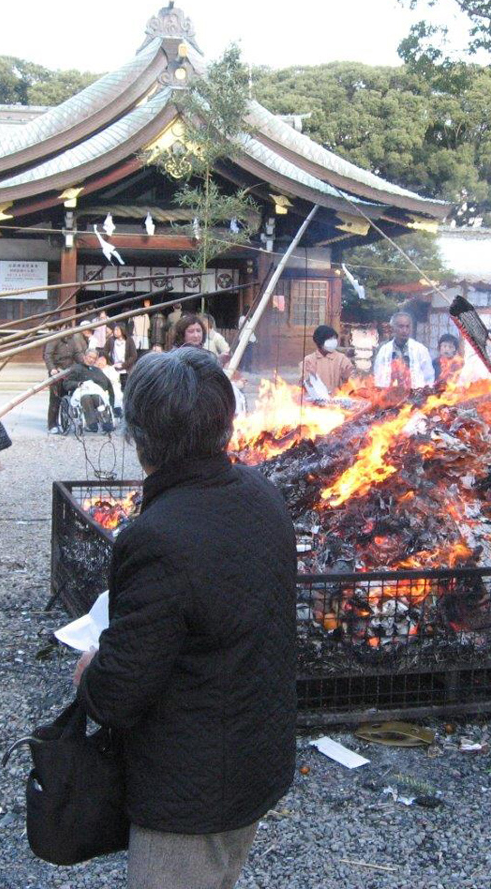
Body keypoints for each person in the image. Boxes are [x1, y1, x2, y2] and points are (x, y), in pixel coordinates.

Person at [74, 348, 296, 889]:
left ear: (139, 435)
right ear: (225, 423)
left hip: (191, 788)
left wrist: (90, 674)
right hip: (255, 753)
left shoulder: (159, 537)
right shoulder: (262, 494)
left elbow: (120, 693)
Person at [44, 322, 89, 434]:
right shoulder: (54, 339)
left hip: (69, 371)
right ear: (60, 328)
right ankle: (52, 424)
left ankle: (66, 421)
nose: (67, 330)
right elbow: (48, 355)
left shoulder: (72, 339)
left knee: (68, 397)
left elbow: (77, 354)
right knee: (55, 399)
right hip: (57, 371)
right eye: (65, 327)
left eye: (69, 328)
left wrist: (85, 363)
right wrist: (52, 369)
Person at [373, 310, 434, 389]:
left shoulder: (420, 350)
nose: (405, 330)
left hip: (415, 394)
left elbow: (429, 377)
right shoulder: (384, 350)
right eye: (401, 326)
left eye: (407, 326)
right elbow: (378, 376)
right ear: (393, 328)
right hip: (390, 394)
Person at [61, 348, 117, 432]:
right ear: (84, 357)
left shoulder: (97, 370)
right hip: (80, 393)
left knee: (97, 397)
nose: (91, 360)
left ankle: (106, 422)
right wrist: (78, 384)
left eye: (94, 358)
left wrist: (96, 386)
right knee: (86, 398)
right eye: (90, 357)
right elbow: (67, 383)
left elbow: (106, 383)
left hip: (95, 393)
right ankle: (92, 424)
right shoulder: (76, 368)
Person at [301, 324, 355, 396]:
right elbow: (306, 384)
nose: (333, 341)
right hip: (315, 400)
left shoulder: (341, 359)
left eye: (334, 338)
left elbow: (352, 379)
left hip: (337, 400)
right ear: (320, 341)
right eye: (329, 339)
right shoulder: (309, 360)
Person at [105, 323, 138, 387]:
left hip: (126, 370)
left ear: (122, 330)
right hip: (114, 369)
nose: (115, 332)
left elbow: (134, 355)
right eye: (114, 330)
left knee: (125, 387)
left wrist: (123, 365)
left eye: (117, 330)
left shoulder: (129, 340)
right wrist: (111, 364)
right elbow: (105, 352)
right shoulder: (111, 340)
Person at [237, 306, 258, 371]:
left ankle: (247, 368)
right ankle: (241, 368)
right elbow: (248, 327)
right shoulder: (242, 318)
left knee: (249, 355)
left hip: (249, 339)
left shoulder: (249, 319)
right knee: (242, 354)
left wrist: (255, 339)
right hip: (243, 338)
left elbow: (251, 331)